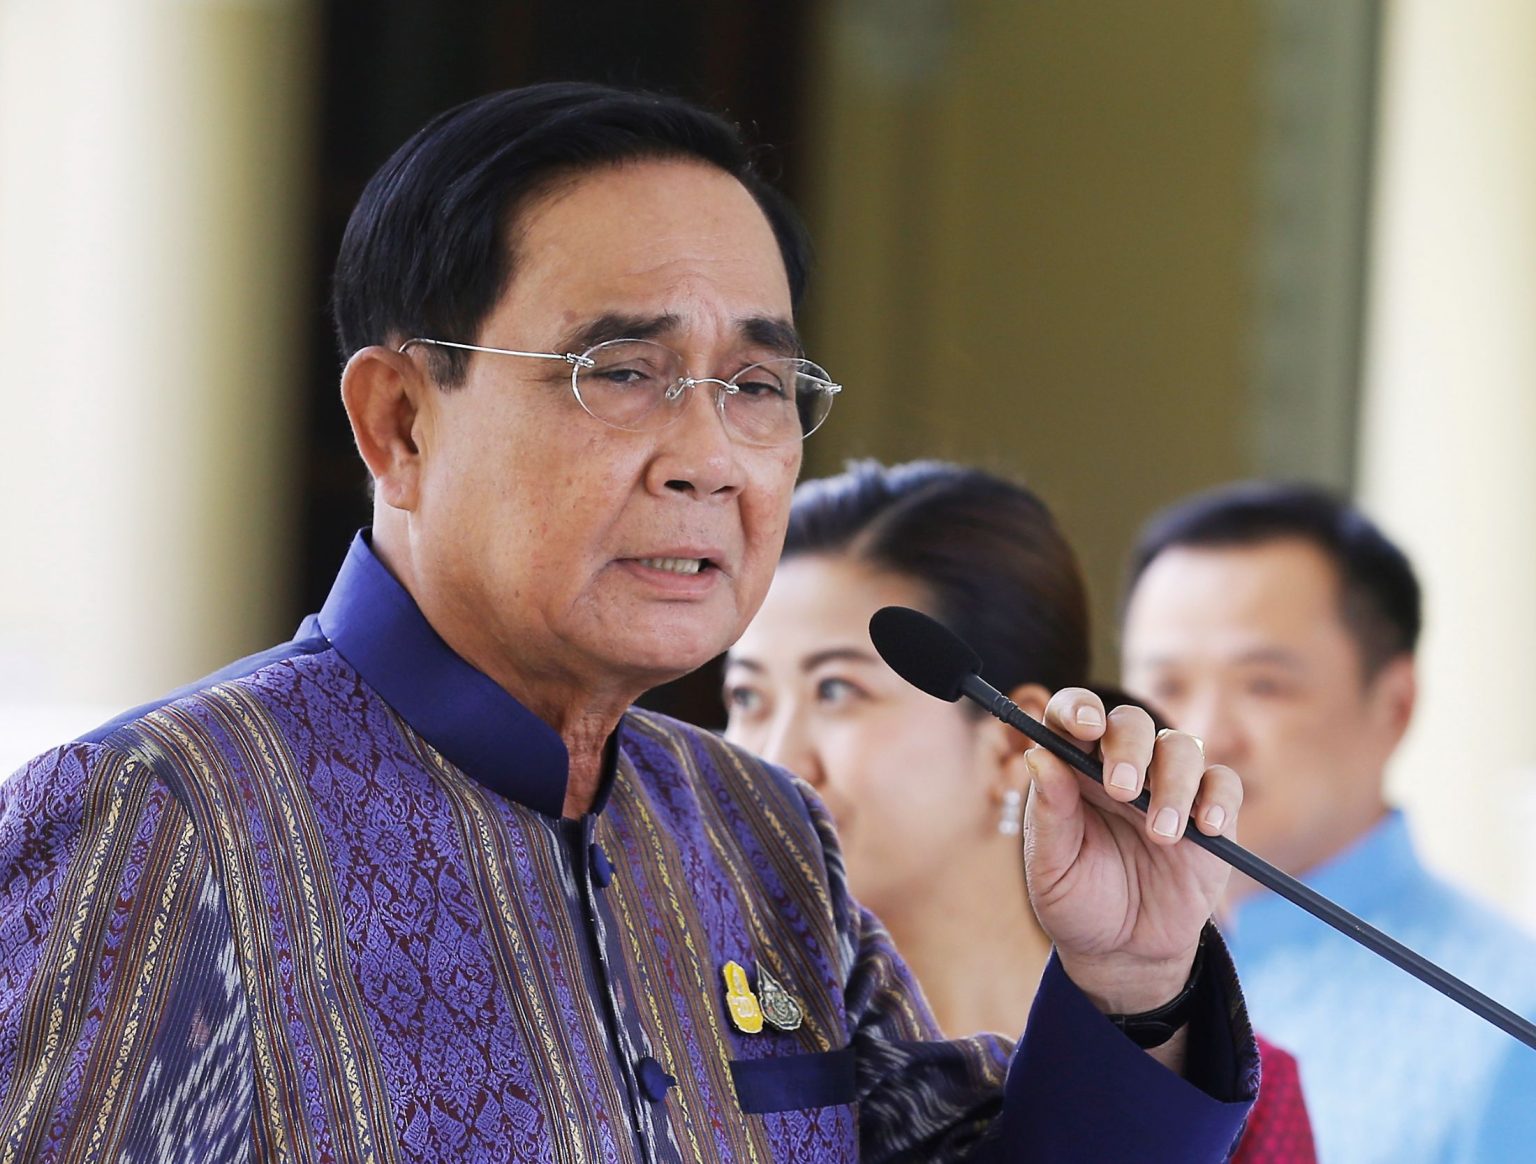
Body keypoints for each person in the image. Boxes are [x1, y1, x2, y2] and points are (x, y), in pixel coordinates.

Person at [0, 84, 1257, 1162]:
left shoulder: (763, 837)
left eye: (757, 384)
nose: (709, 457)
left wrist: (1136, 984)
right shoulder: (163, 820)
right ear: (400, 422)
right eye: (621, 372)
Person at [723, 459, 1316, 1162]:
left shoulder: (1213, 1090)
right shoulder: (694, 1035)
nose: (775, 757)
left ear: (1011, 741)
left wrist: (1136, 982)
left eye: (835, 691)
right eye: (748, 697)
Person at [1120, 480, 1536, 1164]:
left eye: (1264, 685)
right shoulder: (1074, 965)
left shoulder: (1508, 1019)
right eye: (1166, 686)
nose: (1204, 735)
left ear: (1394, 705)